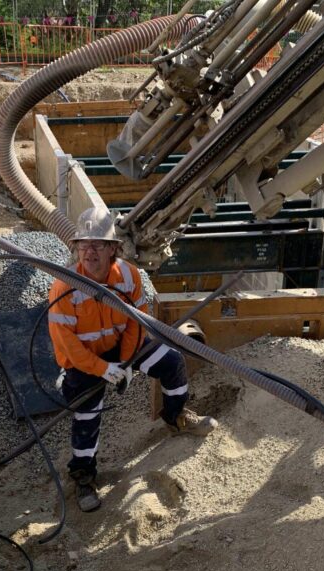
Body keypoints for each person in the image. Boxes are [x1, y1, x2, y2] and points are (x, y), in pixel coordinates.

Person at [47, 207, 218, 512]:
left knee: (171, 361)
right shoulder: (64, 286)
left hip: (122, 347)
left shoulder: (129, 276)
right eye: (83, 245)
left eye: (98, 245)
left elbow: (136, 324)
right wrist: (103, 369)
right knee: (87, 412)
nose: (89, 252)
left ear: (114, 248)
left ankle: (176, 417)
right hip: (85, 360)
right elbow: (67, 344)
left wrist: (125, 364)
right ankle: (83, 475)